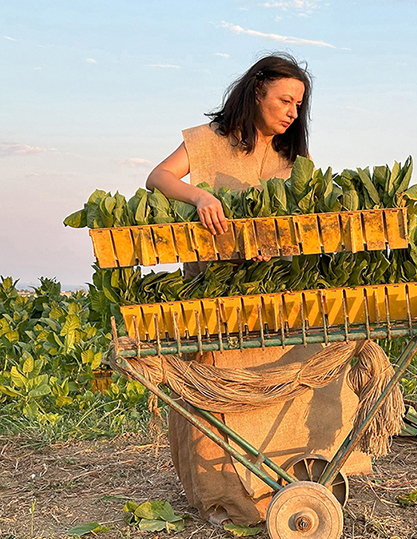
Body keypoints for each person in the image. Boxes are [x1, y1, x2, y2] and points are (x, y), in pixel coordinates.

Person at [146, 53, 371, 527]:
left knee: (299, 369)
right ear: (256, 93)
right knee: (220, 384)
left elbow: (308, 220)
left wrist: (281, 244)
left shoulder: (295, 158)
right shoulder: (207, 142)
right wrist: (199, 195)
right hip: (215, 290)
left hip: (279, 290)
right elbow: (158, 177)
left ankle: (297, 480)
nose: (292, 111)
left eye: (299, 104)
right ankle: (227, 497)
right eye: (284, 99)